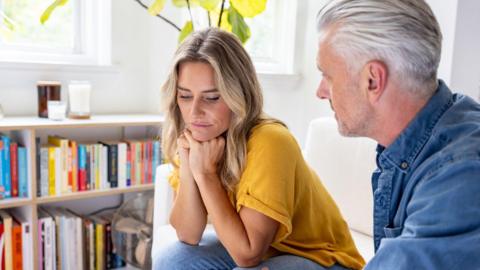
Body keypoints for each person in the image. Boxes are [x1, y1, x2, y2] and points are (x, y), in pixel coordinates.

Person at [152, 28, 365, 270]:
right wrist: (192, 166)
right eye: (185, 96)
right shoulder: (199, 137)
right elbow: (188, 234)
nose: (194, 112)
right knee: (172, 260)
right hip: (269, 254)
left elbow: (248, 254)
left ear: (238, 94)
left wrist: (207, 175)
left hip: (323, 260)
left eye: (212, 98)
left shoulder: (271, 141)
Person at [315, 0, 480, 269]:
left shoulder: (459, 175)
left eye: (327, 76)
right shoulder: (423, 137)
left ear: (373, 81)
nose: (321, 91)